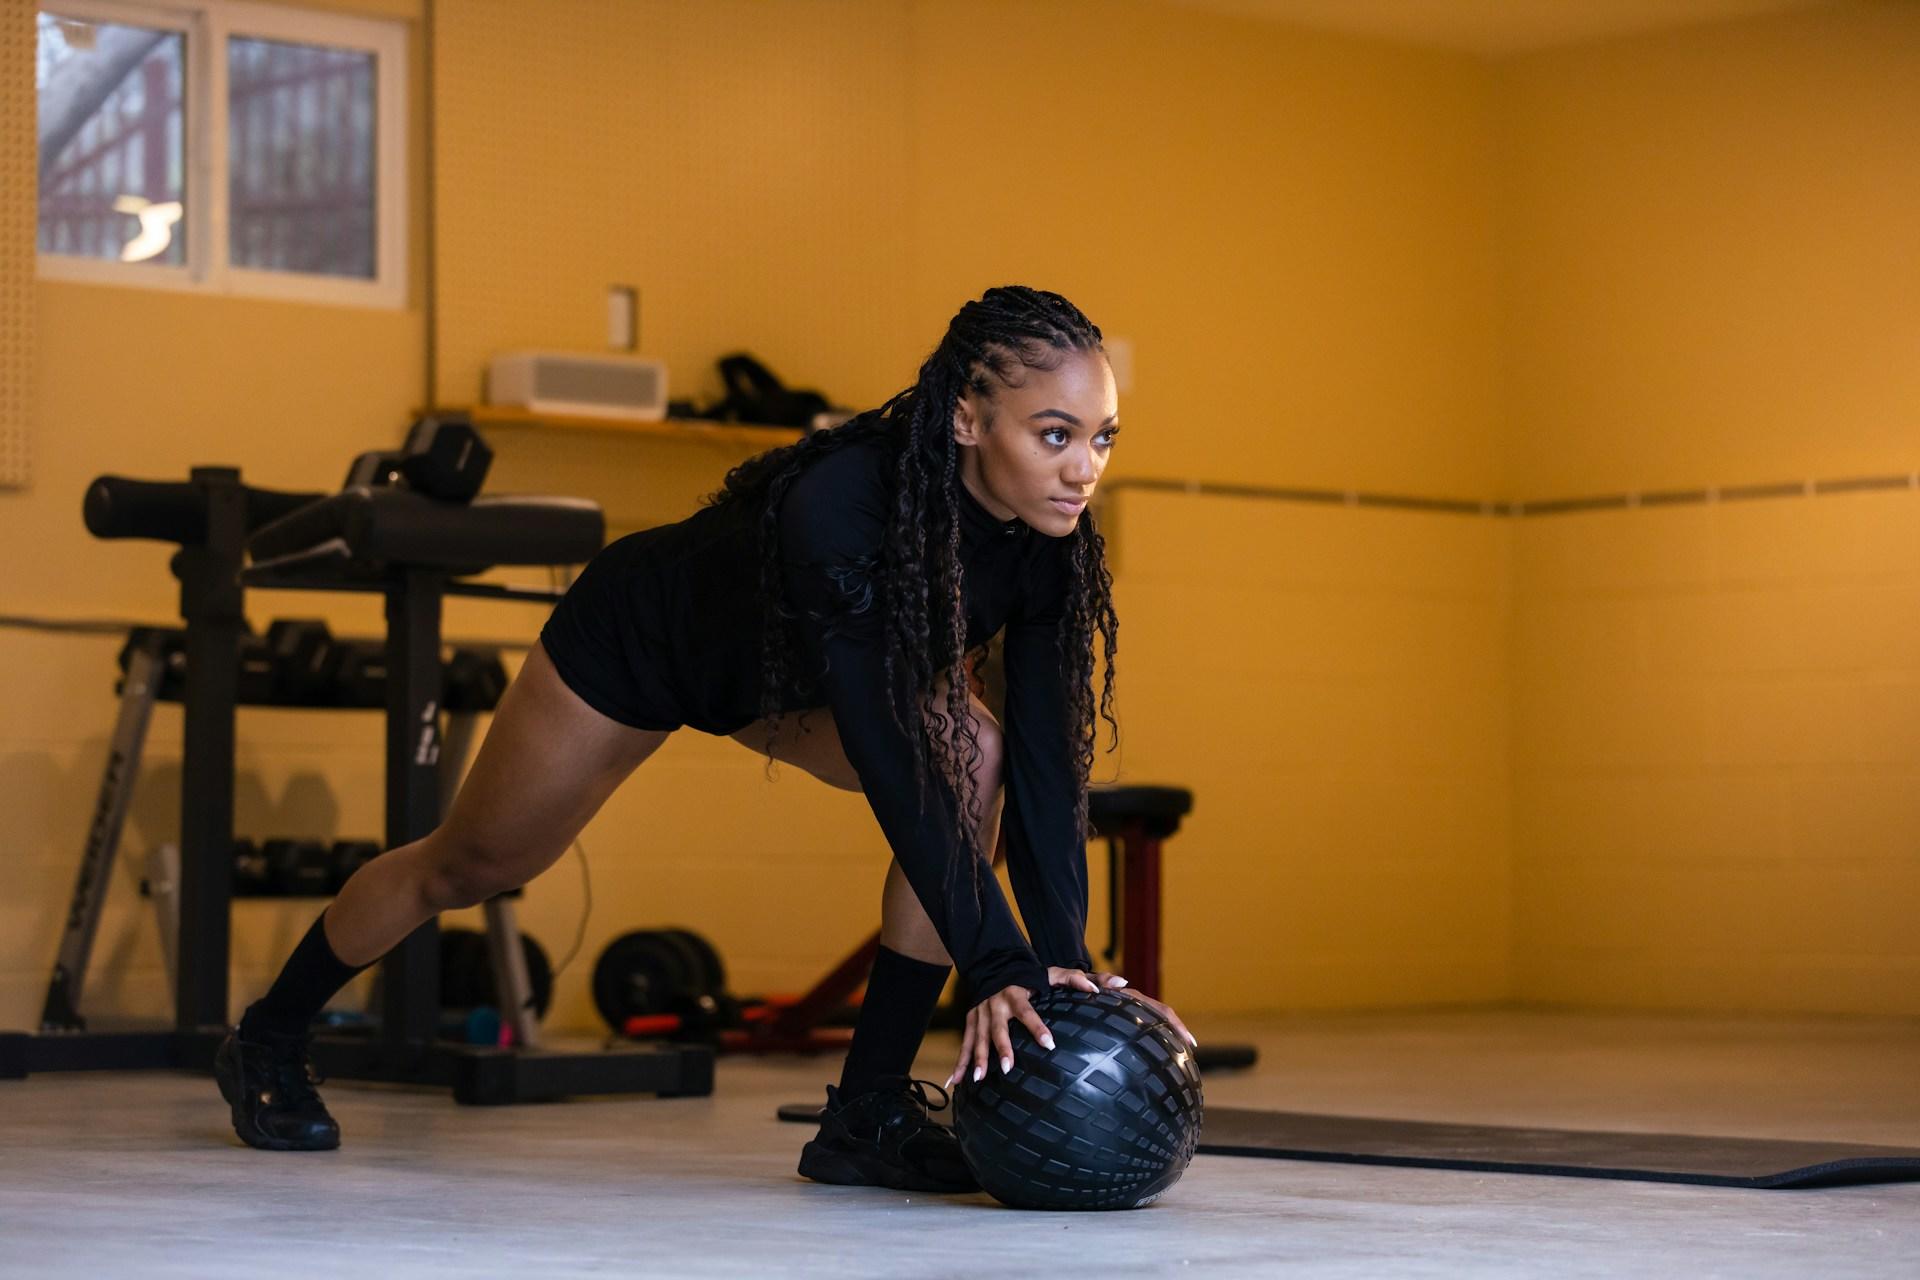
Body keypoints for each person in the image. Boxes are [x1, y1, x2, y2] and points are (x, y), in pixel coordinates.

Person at [212, 285, 1196, 1192]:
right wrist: (995, 961)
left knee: (977, 756)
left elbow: (1042, 757)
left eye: (1102, 436)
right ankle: (268, 1035)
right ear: (967, 420)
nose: (1084, 468)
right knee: (472, 861)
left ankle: (864, 1110)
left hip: (786, 680)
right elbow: (888, 745)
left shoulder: (1050, 545)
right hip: (643, 642)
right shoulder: (846, 502)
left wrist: (1059, 957)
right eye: (1056, 433)